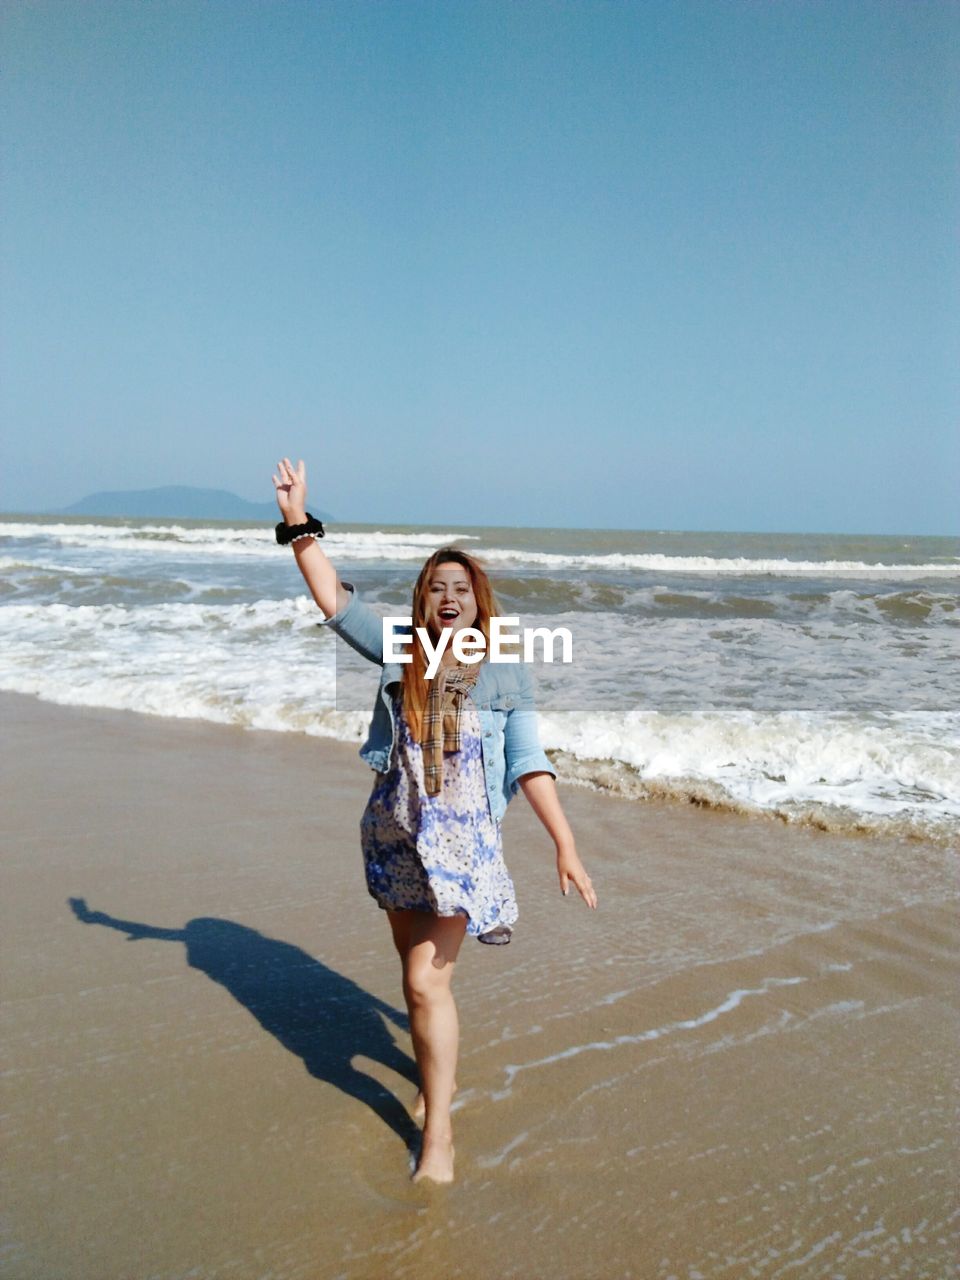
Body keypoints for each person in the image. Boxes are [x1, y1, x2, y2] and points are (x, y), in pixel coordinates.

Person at [272, 457, 597, 1184]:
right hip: (394, 833)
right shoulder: (401, 651)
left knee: (425, 983)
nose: (448, 598)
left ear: (478, 602)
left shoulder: (508, 671)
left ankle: (440, 1133)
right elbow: (333, 602)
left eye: (462, 588)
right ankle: (431, 1070)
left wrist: (565, 843)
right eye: (436, 588)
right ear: (425, 601)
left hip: (466, 847)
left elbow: (528, 762)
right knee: (413, 977)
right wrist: (298, 523)